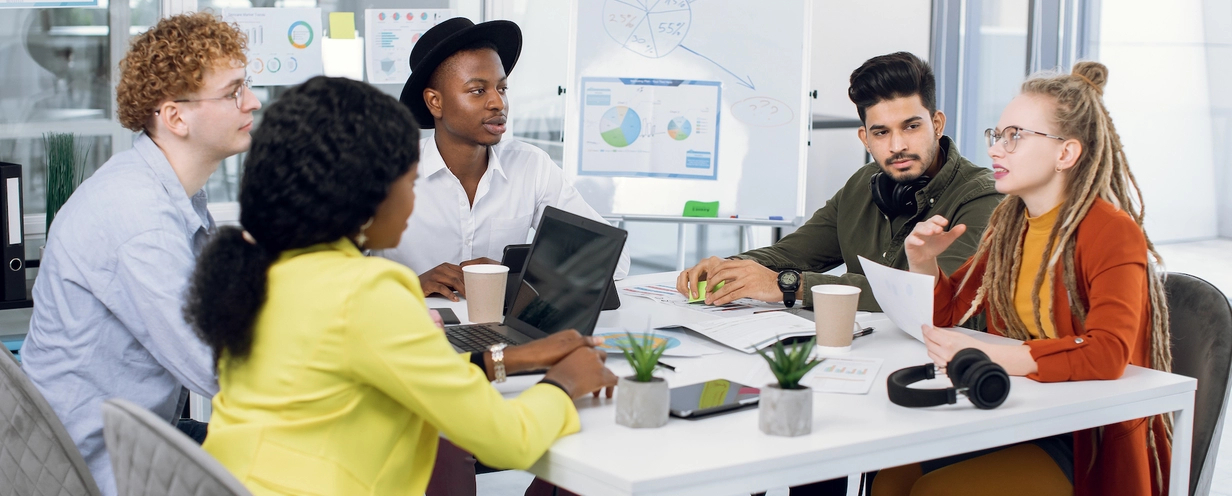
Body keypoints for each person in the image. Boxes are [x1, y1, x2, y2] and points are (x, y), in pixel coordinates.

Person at [185, 76, 617, 496]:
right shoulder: (366, 292)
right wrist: (565, 382)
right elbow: (510, 441)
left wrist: (508, 359)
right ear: (367, 194)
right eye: (410, 184)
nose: (413, 201)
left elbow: (381, 372)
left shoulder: (267, 269)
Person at [877, 61, 1171, 496]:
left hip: (1083, 437)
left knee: (930, 491)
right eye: (997, 136)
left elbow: (1108, 354)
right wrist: (924, 263)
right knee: (889, 480)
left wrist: (994, 356)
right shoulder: (1010, 224)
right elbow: (949, 313)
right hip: (1017, 411)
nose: (996, 149)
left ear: (1065, 153)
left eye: (1014, 136)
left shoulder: (1112, 231)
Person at [20, 12, 258, 494]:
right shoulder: (137, 217)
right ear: (175, 117)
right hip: (92, 468)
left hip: (130, 438)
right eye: (233, 91)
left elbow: (221, 309)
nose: (251, 102)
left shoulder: (169, 191)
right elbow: (218, 369)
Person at [677, 52, 1001, 319]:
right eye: (881, 132)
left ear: (937, 124)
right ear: (865, 138)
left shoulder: (982, 195)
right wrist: (728, 268)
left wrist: (791, 285)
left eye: (911, 126)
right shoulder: (864, 183)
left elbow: (930, 296)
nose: (898, 144)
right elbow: (793, 253)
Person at [372, 18, 630, 301]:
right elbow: (325, 273)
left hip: (500, 333)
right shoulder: (387, 170)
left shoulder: (530, 166)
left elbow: (615, 260)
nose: (498, 103)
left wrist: (519, 277)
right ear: (436, 102)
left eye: (502, 88)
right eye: (478, 90)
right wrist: (408, 285)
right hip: (409, 331)